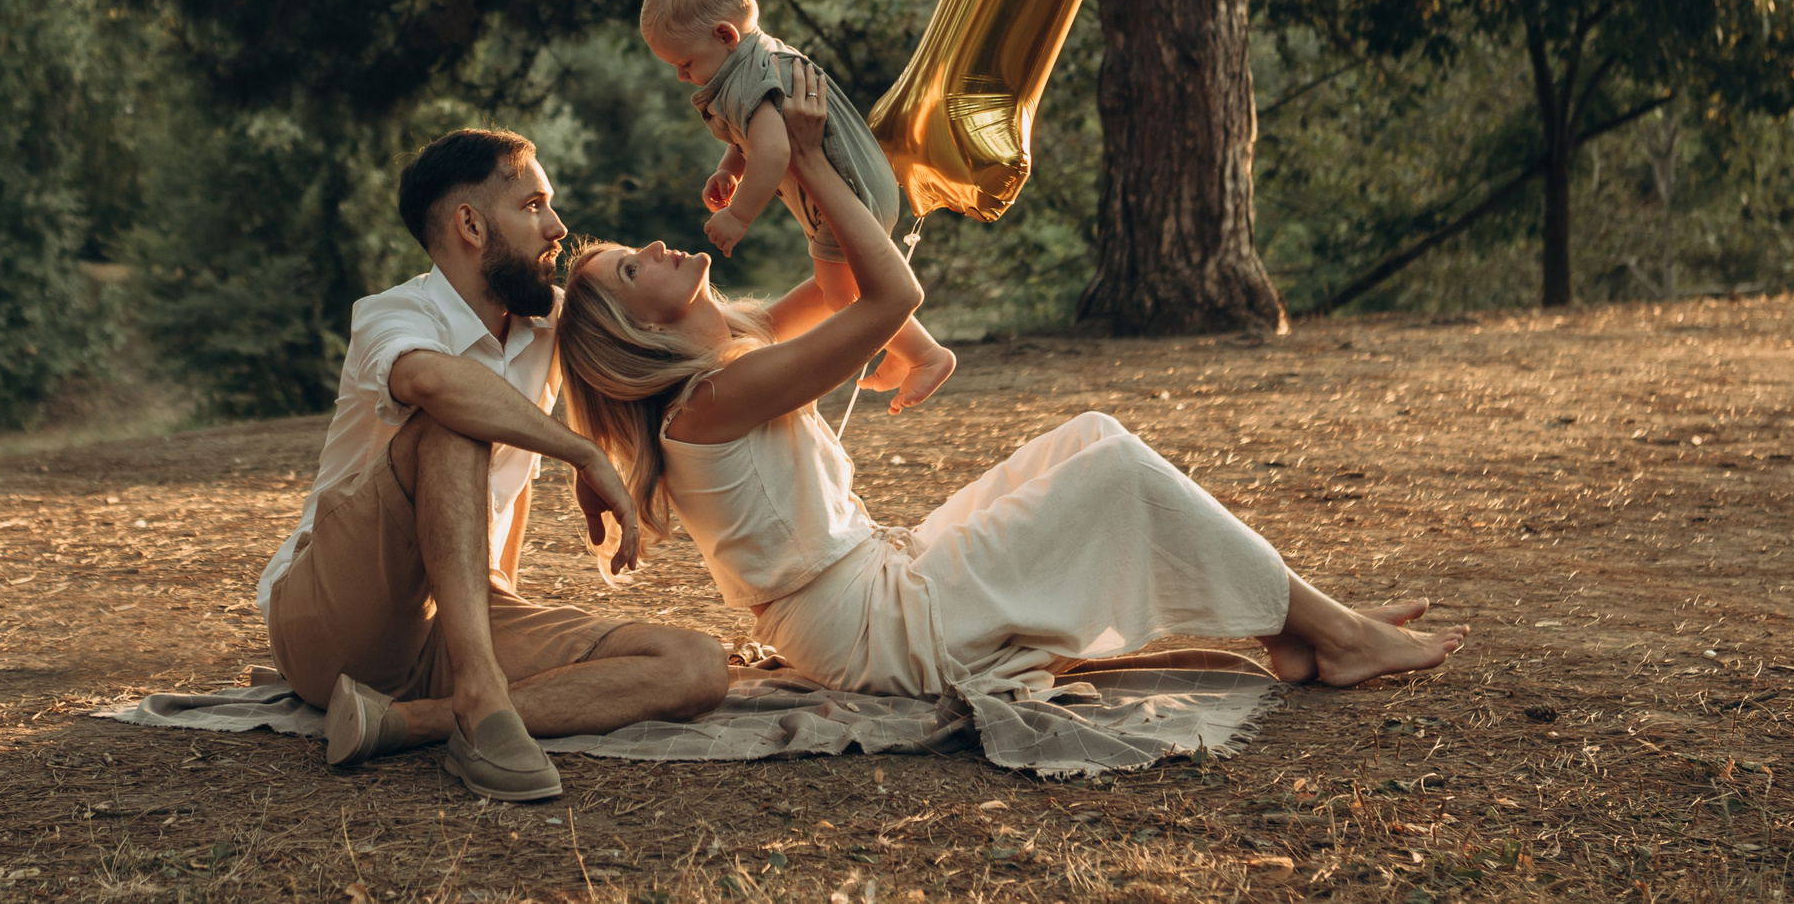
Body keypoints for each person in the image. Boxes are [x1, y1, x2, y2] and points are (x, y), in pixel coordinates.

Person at [553, 66, 1469, 700]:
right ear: (637, 332)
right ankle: (1335, 635)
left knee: (1096, 437)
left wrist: (798, 170)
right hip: (872, 626)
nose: (658, 247)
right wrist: (811, 163)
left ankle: (1290, 625)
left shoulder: (737, 348)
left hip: (877, 578)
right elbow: (892, 296)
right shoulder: (706, 408)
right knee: (1116, 477)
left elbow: (842, 277)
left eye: (633, 251)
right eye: (634, 270)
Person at [256, 129, 726, 801]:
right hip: (329, 623)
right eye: (534, 205)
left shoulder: (545, 327)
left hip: (458, 619)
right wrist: (580, 451)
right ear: (470, 223)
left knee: (696, 664)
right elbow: (431, 384)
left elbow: (664, 334)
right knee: (453, 419)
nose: (558, 227)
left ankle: (407, 722)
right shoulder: (391, 315)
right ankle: (480, 700)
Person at [638, 0, 954, 412]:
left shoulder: (748, 79)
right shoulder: (754, 60)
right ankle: (901, 350)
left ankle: (924, 353)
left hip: (847, 195)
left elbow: (774, 149)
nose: (683, 77)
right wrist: (729, 167)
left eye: (684, 63)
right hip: (858, 188)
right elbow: (754, 135)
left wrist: (739, 215)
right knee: (834, 286)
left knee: (845, 294)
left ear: (724, 35)